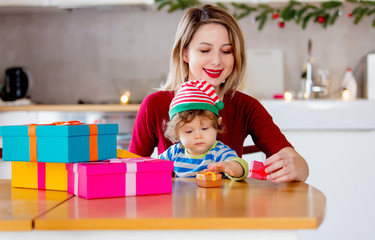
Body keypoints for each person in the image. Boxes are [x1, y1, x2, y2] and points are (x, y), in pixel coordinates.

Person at [129, 4, 309, 183]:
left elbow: (299, 166)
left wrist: (295, 167)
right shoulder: (154, 105)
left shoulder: (246, 107)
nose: (216, 61)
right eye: (205, 50)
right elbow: (128, 172)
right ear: (185, 54)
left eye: (226, 51)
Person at [159, 79, 249, 180]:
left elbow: (241, 167)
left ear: (217, 125)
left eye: (205, 128)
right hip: (182, 195)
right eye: (189, 131)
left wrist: (231, 166)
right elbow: (154, 166)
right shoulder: (174, 152)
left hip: (214, 196)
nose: (198, 136)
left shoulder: (219, 152)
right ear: (177, 133)